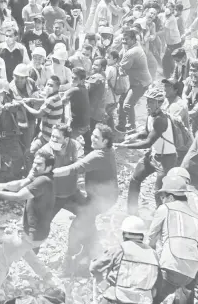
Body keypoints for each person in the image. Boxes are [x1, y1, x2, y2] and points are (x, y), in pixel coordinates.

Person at [0, 151, 58, 302]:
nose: (35, 166)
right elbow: (19, 184)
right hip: (37, 233)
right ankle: (51, 280)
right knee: (27, 254)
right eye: (34, 162)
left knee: (1, 261)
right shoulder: (38, 176)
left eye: (39, 164)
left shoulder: (43, 181)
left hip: (31, 234)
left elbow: (18, 196)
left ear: (49, 167)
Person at [53, 123, 119, 274]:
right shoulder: (108, 151)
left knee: (78, 225)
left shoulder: (99, 155)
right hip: (104, 196)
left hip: (101, 200)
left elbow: (78, 167)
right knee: (87, 220)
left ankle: (69, 262)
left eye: (97, 137)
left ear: (105, 142)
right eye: (93, 135)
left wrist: (54, 172)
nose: (92, 138)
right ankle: (92, 250)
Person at [115, 87, 177, 215]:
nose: (148, 105)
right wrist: (134, 136)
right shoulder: (151, 115)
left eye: (151, 102)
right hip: (154, 155)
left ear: (159, 104)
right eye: (147, 101)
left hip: (166, 159)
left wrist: (126, 146)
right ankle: (132, 213)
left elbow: (148, 142)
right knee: (135, 179)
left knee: (159, 192)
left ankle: (162, 219)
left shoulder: (161, 120)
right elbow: (147, 132)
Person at [37, 123, 86, 273]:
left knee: (88, 214)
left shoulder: (75, 146)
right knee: (40, 226)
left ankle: (73, 253)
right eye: (52, 136)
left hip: (71, 193)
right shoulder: (45, 151)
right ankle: (30, 256)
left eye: (57, 137)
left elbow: (82, 164)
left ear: (66, 139)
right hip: (53, 196)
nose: (52, 139)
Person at [149, 176, 198, 304]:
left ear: (170, 197)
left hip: (171, 266)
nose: (162, 200)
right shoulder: (195, 216)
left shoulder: (166, 208)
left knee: (153, 297)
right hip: (191, 272)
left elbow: (151, 237)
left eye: (162, 197)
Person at [90, 216, 160, 304]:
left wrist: (102, 281)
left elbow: (94, 267)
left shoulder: (119, 249)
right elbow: (157, 281)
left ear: (124, 233)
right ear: (142, 235)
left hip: (117, 299)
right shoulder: (153, 254)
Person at [115, 29, 152, 133]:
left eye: (126, 39)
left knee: (127, 105)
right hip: (135, 81)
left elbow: (121, 69)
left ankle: (131, 128)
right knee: (122, 101)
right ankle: (121, 126)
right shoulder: (134, 47)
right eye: (122, 39)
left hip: (140, 83)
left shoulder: (132, 52)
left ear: (132, 39)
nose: (123, 41)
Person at [20, 75, 63, 154]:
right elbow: (44, 101)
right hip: (48, 133)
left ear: (57, 87)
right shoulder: (56, 96)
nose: (48, 87)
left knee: (30, 153)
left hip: (48, 136)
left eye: (51, 85)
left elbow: (38, 114)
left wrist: (24, 105)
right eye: (47, 84)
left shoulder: (52, 100)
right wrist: (31, 99)